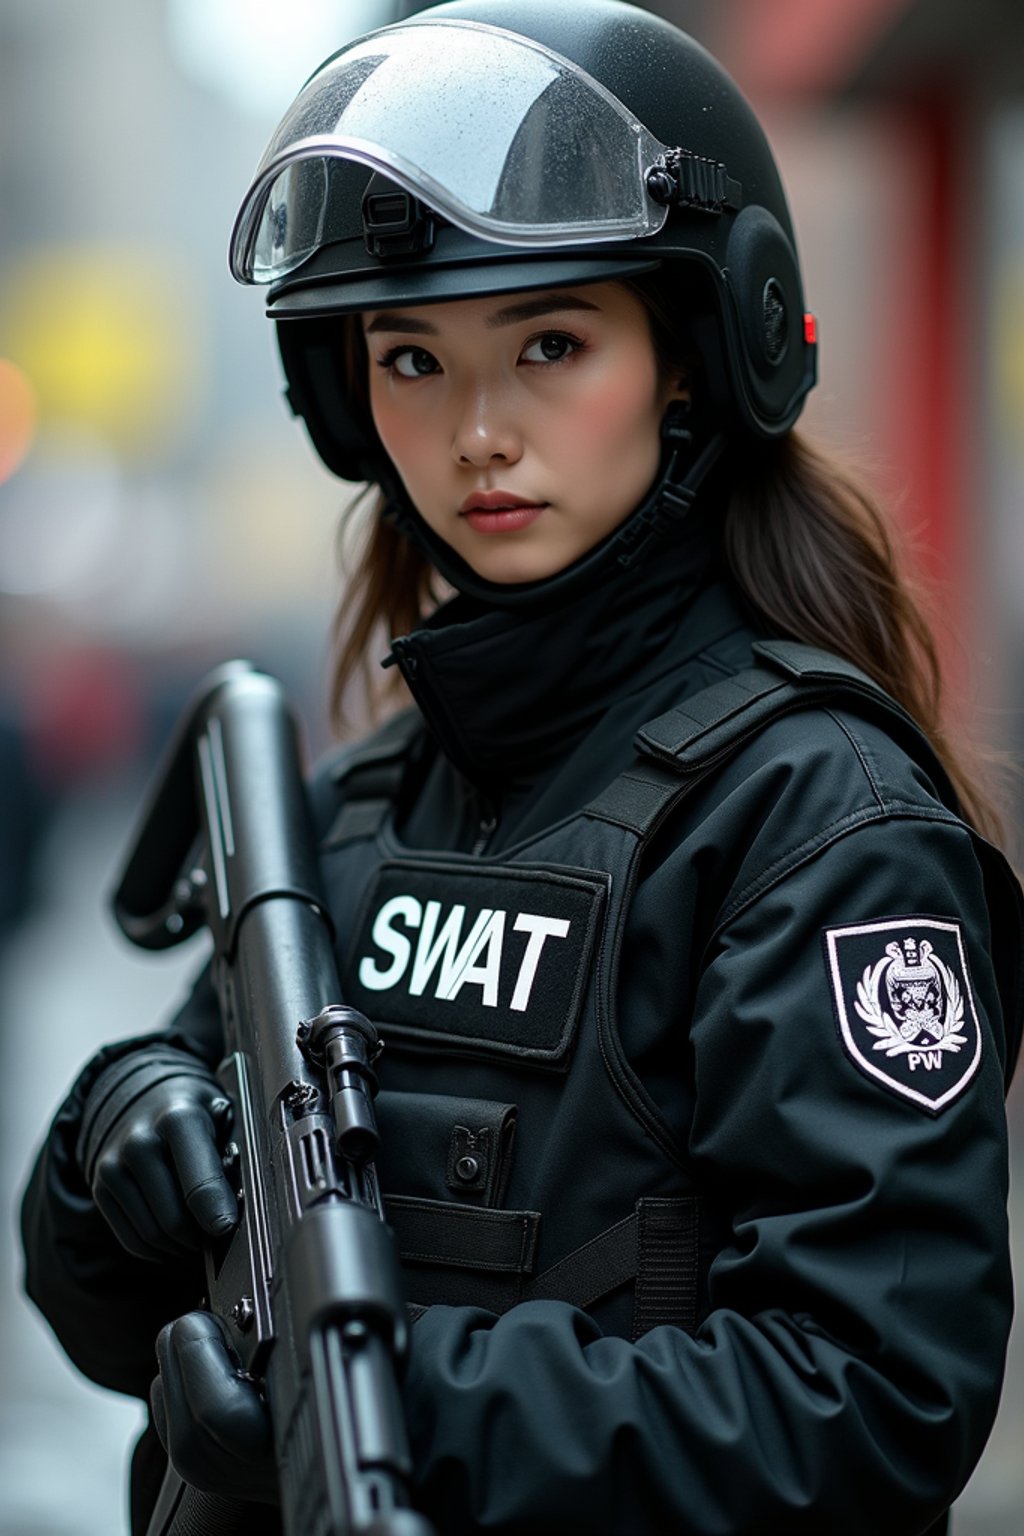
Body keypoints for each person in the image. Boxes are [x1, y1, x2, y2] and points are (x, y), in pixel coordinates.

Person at [20, 3, 1024, 1533]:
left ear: (691, 359)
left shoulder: (816, 820)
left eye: (551, 343)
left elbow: (871, 1402)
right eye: (412, 357)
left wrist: (383, 1398)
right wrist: (121, 1144)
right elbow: (117, 1331)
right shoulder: (366, 805)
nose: (479, 430)